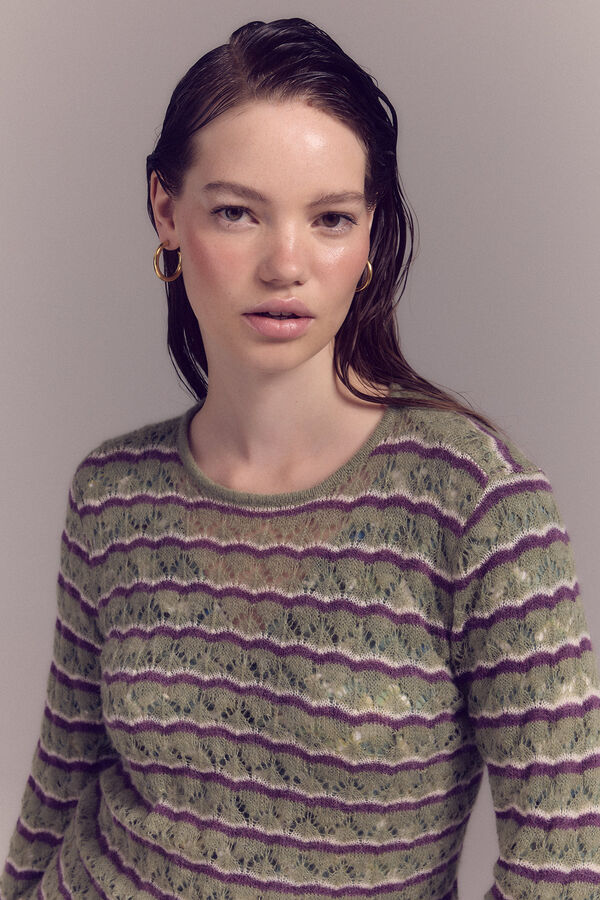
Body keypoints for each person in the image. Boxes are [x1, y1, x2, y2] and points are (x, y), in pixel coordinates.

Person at [2, 17, 599, 900]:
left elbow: (563, 861)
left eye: (330, 219)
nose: (286, 265)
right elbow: (59, 787)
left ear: (368, 237)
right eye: (237, 212)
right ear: (166, 210)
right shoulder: (110, 496)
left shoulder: (476, 504)